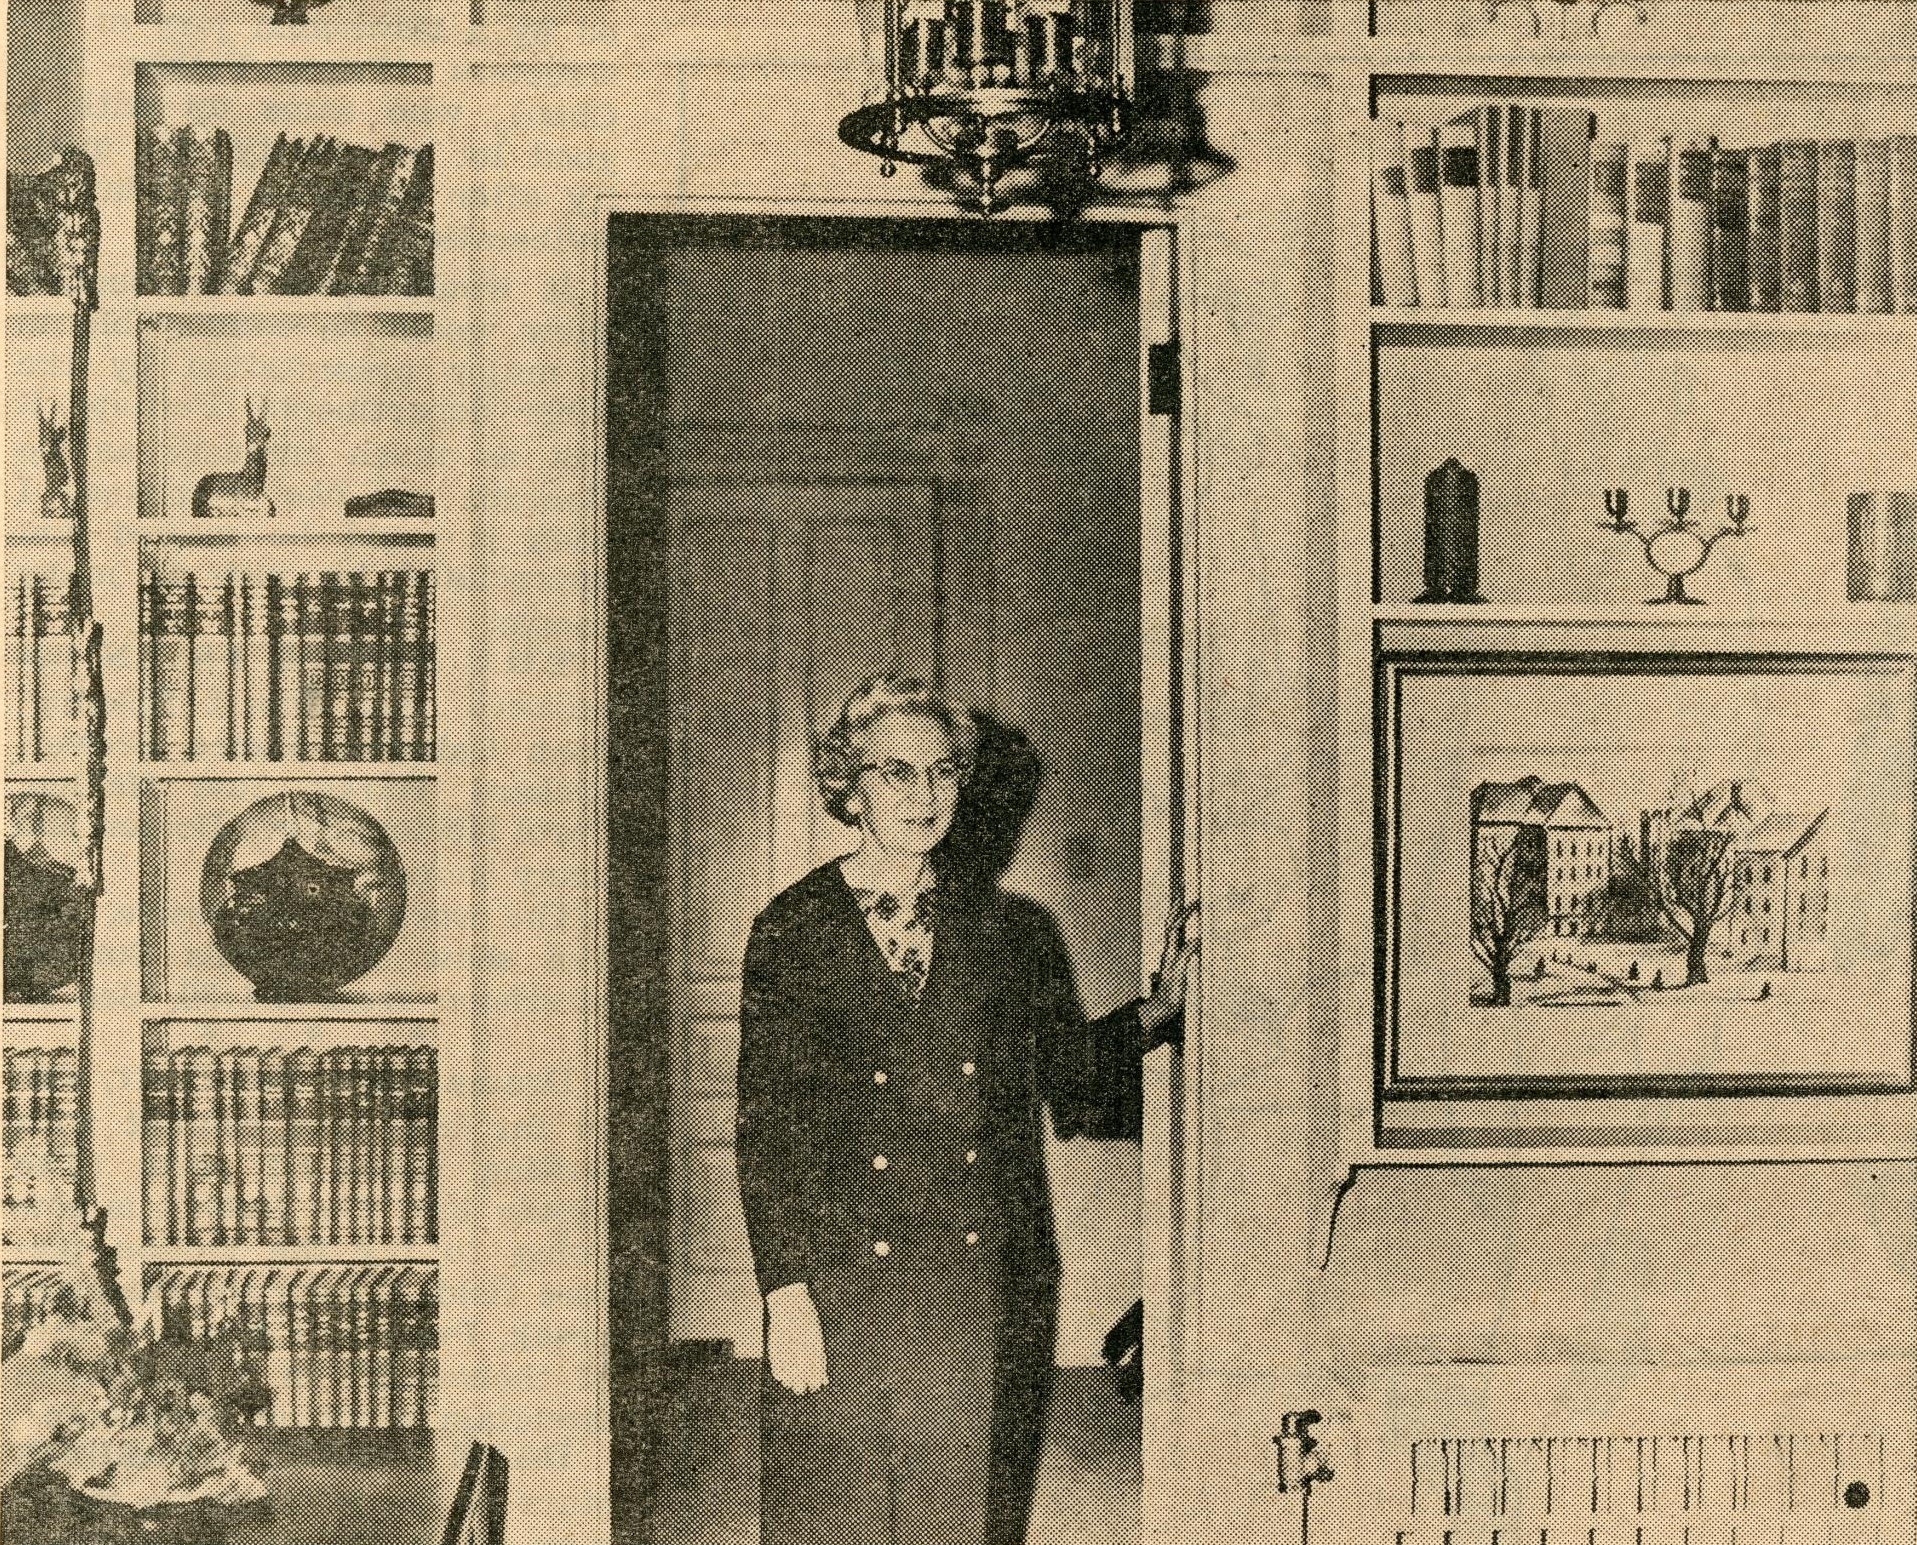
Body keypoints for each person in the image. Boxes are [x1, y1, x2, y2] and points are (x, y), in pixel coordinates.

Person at [736, 674, 1198, 1545]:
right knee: (828, 1511)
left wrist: (1154, 1012)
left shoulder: (1010, 930)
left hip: (968, 1267)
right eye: (897, 772)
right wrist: (785, 1293)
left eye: (943, 772)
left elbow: (1065, 1078)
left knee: (951, 1513)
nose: (925, 795)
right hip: (841, 1269)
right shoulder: (791, 930)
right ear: (851, 786)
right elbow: (768, 1126)